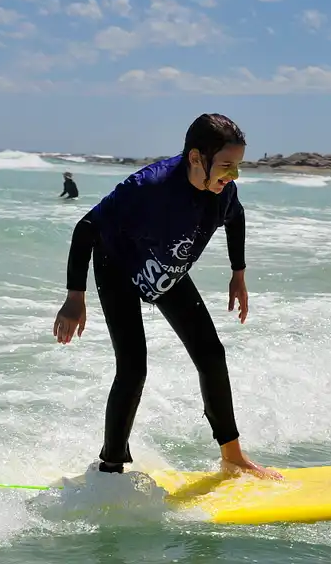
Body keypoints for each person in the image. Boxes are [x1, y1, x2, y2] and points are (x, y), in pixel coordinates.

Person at [52, 113, 281, 481]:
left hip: (168, 271)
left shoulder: (223, 192)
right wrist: (75, 298)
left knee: (211, 354)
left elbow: (236, 219)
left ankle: (233, 456)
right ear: (195, 158)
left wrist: (238, 274)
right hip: (119, 272)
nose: (233, 176)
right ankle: (110, 469)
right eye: (226, 166)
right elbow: (87, 228)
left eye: (237, 166)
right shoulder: (150, 187)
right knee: (133, 367)